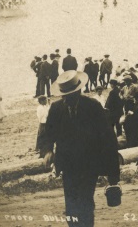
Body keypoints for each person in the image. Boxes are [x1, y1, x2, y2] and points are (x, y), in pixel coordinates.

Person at [40, 70, 120, 227]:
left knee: (85, 201)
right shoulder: (56, 109)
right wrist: (48, 150)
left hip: (89, 165)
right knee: (70, 205)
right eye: (64, 96)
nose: (67, 99)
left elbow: (108, 139)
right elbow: (47, 134)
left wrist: (113, 176)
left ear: (78, 92)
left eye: (70, 96)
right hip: (67, 165)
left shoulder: (93, 107)